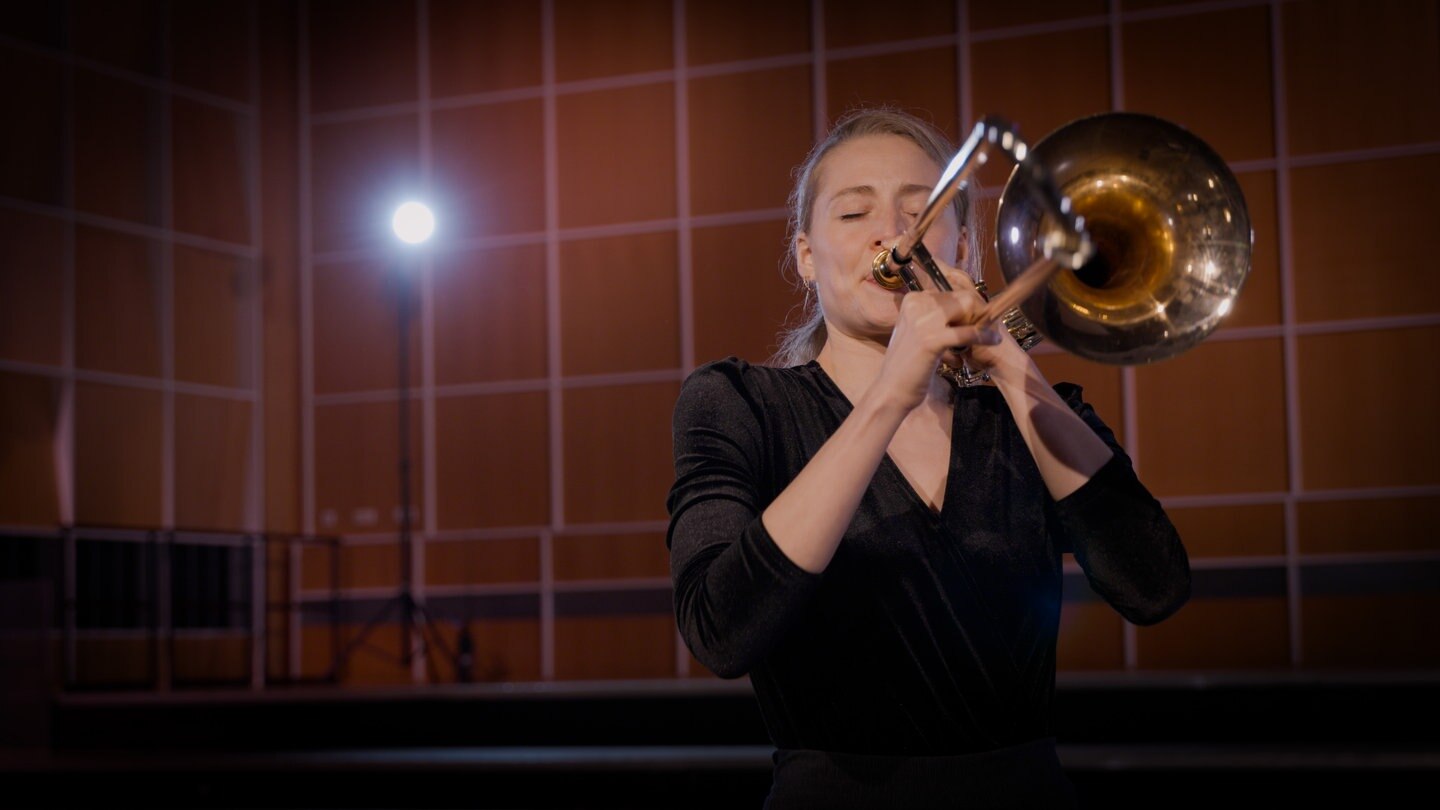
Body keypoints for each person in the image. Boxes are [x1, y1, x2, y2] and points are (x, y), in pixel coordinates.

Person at [665, 107, 1191, 809]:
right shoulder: (740, 403)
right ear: (807, 257)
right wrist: (891, 394)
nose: (892, 234)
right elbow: (721, 632)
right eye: (854, 214)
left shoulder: (1031, 412)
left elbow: (1154, 587)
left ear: (962, 248)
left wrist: (1010, 366)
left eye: (921, 212)